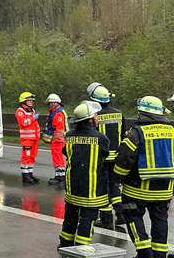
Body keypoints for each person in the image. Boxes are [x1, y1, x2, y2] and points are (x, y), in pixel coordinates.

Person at [114, 96, 174, 258]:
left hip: (137, 190)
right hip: (164, 192)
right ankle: (160, 254)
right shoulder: (172, 132)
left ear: (142, 112)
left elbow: (124, 160)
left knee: (132, 216)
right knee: (160, 220)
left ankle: (144, 252)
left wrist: (117, 178)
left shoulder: (136, 133)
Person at [59, 101, 109, 248]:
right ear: (90, 119)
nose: (97, 117)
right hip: (91, 189)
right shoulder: (100, 138)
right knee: (87, 219)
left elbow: (65, 152)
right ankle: (81, 248)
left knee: (70, 218)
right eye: (95, 115)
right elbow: (105, 155)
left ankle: (65, 244)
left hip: (72, 187)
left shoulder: (69, 136)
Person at [87, 82, 125, 227]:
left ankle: (106, 218)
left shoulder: (93, 116)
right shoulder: (119, 113)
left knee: (102, 187)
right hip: (116, 157)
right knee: (114, 185)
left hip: (100, 157)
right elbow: (123, 135)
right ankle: (121, 215)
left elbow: (91, 136)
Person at [15, 92, 41, 185]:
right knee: (26, 157)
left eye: (31, 101)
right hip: (27, 140)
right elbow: (24, 123)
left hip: (34, 139)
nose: (31, 102)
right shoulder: (20, 111)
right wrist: (33, 118)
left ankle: (30, 174)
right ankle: (25, 176)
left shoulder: (32, 110)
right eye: (29, 101)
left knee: (32, 157)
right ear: (23, 101)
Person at [42, 94, 67, 185]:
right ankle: (59, 176)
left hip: (58, 140)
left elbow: (58, 128)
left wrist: (50, 134)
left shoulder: (58, 114)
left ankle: (60, 177)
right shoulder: (56, 112)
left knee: (58, 158)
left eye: (50, 103)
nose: (49, 105)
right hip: (57, 140)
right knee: (57, 158)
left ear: (54, 103)